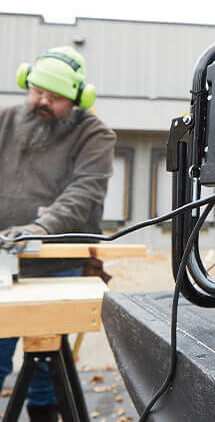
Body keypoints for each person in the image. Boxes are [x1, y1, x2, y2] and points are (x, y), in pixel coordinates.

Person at [0, 46, 116, 422]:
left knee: (47, 366)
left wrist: (39, 229)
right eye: (36, 91)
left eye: (55, 96)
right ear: (25, 83)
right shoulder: (4, 121)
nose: (43, 101)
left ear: (80, 97)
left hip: (58, 261)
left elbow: (85, 192)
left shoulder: (94, 134)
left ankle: (44, 414)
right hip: (4, 260)